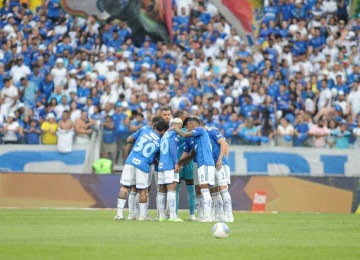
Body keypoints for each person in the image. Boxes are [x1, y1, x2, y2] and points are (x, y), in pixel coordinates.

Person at [114, 119, 168, 221]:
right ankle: (142, 216)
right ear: (162, 131)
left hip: (130, 162)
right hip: (143, 165)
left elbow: (129, 140)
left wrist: (138, 139)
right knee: (143, 191)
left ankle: (119, 214)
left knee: (124, 188)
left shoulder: (144, 130)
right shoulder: (160, 142)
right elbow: (157, 159)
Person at [173, 117, 215, 222]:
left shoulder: (200, 130)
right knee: (202, 189)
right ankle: (205, 215)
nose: (187, 129)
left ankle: (208, 216)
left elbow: (185, 134)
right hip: (201, 164)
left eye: (187, 126)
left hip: (206, 163)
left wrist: (174, 128)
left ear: (192, 125)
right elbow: (190, 155)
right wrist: (179, 163)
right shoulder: (195, 139)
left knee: (205, 189)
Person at [157, 117, 184, 222]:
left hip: (162, 164)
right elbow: (172, 147)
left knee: (162, 190)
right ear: (175, 124)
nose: (181, 126)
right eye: (180, 124)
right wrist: (176, 163)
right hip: (169, 164)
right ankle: (173, 216)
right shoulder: (174, 134)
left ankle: (161, 216)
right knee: (172, 188)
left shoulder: (165, 135)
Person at [206, 125, 234, 222]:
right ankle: (219, 214)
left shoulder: (212, 131)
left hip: (220, 164)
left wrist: (221, 159)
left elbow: (224, 144)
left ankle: (229, 215)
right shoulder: (202, 135)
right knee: (213, 190)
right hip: (211, 165)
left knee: (223, 189)